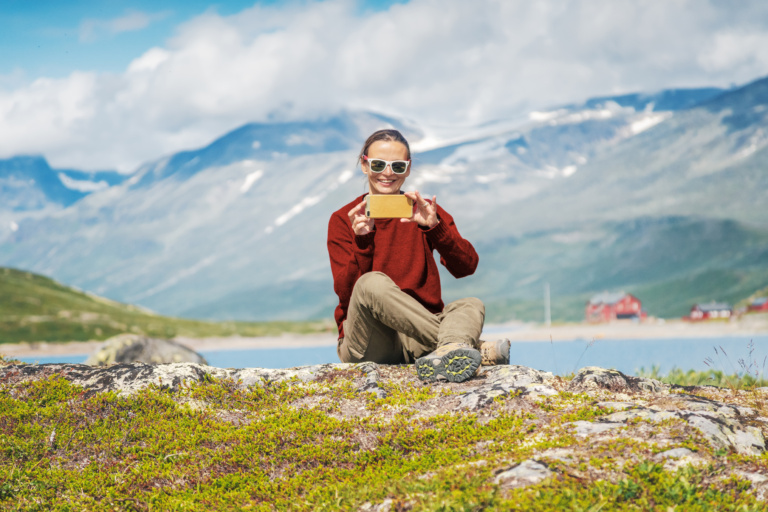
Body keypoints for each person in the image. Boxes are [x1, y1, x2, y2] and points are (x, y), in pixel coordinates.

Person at [326, 129, 509, 382]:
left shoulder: (424, 211)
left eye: (398, 166)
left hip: (419, 341)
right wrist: (363, 241)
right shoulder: (344, 219)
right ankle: (471, 347)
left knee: (470, 304)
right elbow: (348, 295)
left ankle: (451, 347)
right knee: (371, 284)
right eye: (378, 164)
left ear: (408, 169)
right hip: (370, 342)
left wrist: (435, 229)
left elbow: (466, 266)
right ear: (364, 165)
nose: (388, 173)